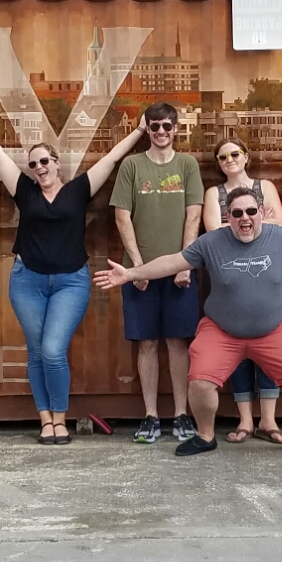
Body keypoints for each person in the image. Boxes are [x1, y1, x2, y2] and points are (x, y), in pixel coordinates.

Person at [95, 186, 282, 457]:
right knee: (200, 382)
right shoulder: (211, 242)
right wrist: (131, 273)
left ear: (262, 212)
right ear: (227, 217)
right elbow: (172, 262)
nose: (245, 218)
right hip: (221, 330)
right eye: (237, 213)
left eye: (251, 211)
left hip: (273, 328)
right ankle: (205, 436)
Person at [0, 99, 144, 444]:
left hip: (71, 282)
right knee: (36, 351)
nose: (39, 168)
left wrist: (141, 130)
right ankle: (45, 420)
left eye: (44, 161)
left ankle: (60, 417)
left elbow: (111, 159)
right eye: (33, 164)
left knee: (53, 350)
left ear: (57, 163)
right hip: (26, 281)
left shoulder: (78, 191)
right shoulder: (24, 191)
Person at [111, 101, 205, 443]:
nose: (161, 131)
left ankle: (181, 414)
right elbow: (122, 216)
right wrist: (138, 267)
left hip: (180, 271)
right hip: (138, 271)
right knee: (147, 343)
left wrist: (185, 262)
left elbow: (194, 215)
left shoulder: (188, 164)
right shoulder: (131, 165)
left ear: (176, 128)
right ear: (147, 129)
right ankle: (150, 415)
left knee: (179, 342)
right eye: (155, 126)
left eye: (167, 126)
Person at [202, 140, 282, 445]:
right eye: (222, 156)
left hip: (267, 275)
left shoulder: (266, 186)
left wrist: (236, 225)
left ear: (246, 156)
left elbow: (279, 225)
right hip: (229, 278)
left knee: (268, 346)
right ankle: (246, 420)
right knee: (237, 348)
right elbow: (213, 231)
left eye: (235, 153)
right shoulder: (213, 193)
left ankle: (269, 420)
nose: (229, 159)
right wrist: (257, 221)